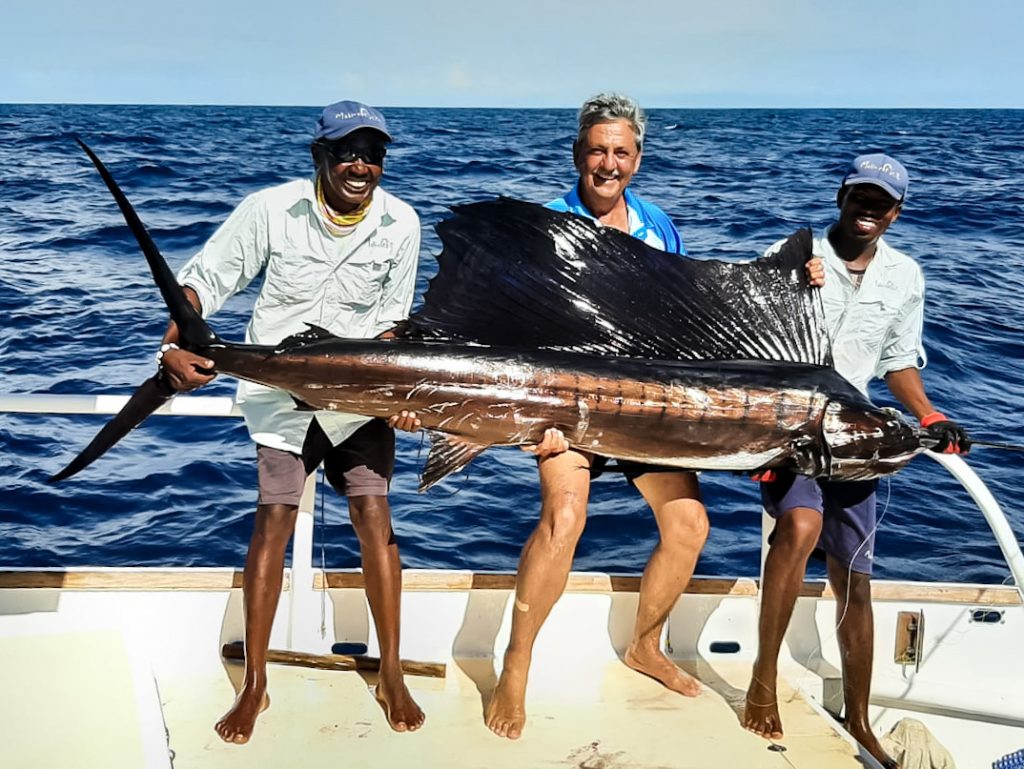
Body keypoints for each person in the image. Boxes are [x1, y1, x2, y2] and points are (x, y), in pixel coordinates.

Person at [157, 100, 426, 743]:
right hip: (278, 397)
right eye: (346, 151)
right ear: (320, 157)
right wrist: (174, 343)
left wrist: (398, 395)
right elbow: (203, 284)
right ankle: (256, 683)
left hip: (359, 399)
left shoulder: (403, 224)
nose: (360, 164)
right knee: (273, 519)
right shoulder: (268, 210)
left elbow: (392, 325)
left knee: (374, 516)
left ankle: (390, 672)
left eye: (373, 153)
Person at [484, 93, 710, 740]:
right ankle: (516, 664)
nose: (607, 163)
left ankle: (645, 644)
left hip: (642, 409)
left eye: (620, 152)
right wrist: (533, 413)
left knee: (690, 523)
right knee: (563, 518)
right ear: (577, 156)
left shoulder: (658, 226)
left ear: (636, 160)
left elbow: (681, 323)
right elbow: (508, 323)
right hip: (567, 408)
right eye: (596, 151)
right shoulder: (546, 225)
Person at [743, 153, 971, 768]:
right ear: (843, 196)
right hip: (792, 429)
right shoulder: (792, 252)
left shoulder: (906, 275)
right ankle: (762, 681)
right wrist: (787, 285)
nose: (868, 209)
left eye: (882, 202)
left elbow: (898, 362)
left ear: (896, 212)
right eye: (860, 196)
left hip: (856, 437)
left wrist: (928, 416)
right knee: (800, 524)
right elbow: (743, 332)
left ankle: (861, 719)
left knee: (856, 578)